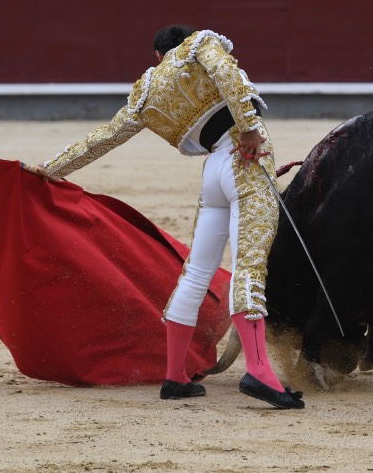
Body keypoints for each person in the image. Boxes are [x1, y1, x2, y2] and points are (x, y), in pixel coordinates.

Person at [25, 26, 305, 409]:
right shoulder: (201, 44)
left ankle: (174, 377)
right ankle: (258, 371)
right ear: (182, 42)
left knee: (195, 271)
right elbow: (226, 76)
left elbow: (104, 137)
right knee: (249, 267)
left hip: (214, 173)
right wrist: (251, 129)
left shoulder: (145, 94)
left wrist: (52, 168)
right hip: (244, 158)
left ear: (157, 55)